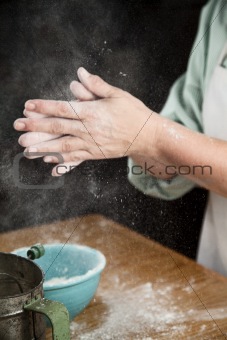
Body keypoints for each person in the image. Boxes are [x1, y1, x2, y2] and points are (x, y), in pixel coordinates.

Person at [14, 0, 227, 275]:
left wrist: (151, 134)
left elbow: (162, 138)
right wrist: (119, 129)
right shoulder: (218, 13)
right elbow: (180, 158)